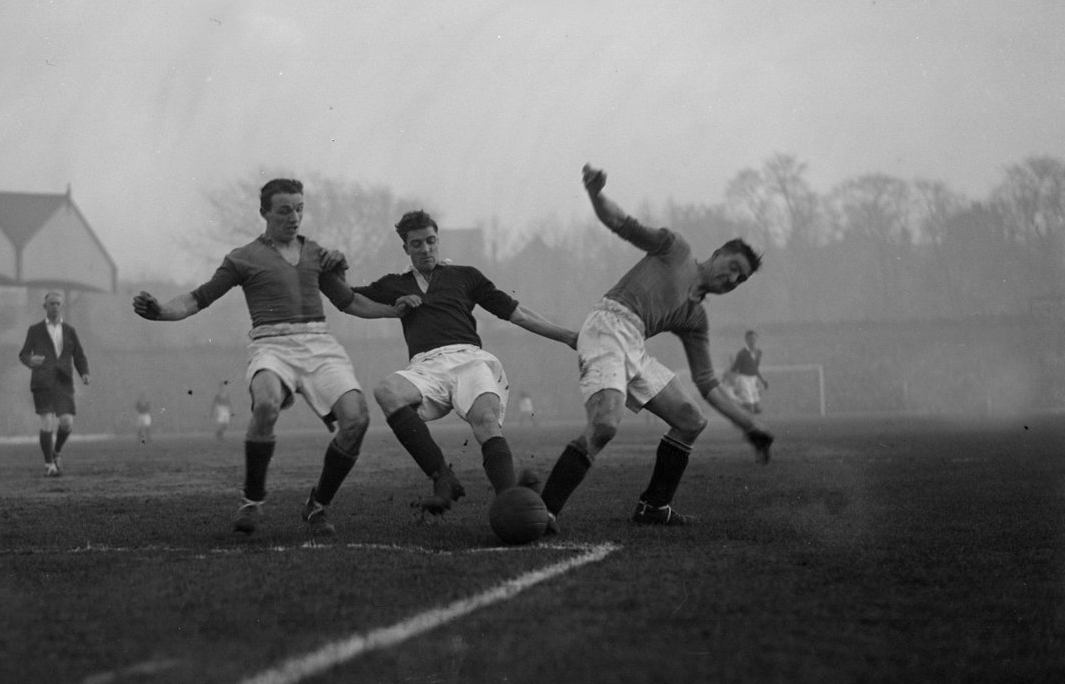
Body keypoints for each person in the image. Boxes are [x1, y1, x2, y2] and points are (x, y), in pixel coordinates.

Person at [132, 177, 418, 537]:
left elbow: (349, 301)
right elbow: (198, 297)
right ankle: (252, 501)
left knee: (357, 420)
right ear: (264, 212)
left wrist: (396, 310)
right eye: (284, 210)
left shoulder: (316, 254)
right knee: (265, 405)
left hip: (319, 345)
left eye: (299, 209)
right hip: (272, 345)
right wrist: (160, 311)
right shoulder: (243, 258)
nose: (294, 217)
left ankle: (318, 506)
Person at [538, 164, 773, 528]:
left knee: (690, 420)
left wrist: (749, 424)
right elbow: (622, 224)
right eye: (732, 267)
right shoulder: (676, 250)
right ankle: (544, 510)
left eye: (739, 280)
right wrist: (595, 193)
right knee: (604, 425)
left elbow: (708, 384)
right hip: (607, 325)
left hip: (633, 344)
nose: (731, 279)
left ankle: (654, 507)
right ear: (716, 254)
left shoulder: (696, 318)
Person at [349, 209, 576, 516]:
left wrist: (568, 337)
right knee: (387, 391)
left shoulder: (465, 276)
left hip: (469, 360)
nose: (425, 249)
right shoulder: (394, 284)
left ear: (438, 240)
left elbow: (518, 314)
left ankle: (510, 502)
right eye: (417, 244)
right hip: (425, 366)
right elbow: (350, 301)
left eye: (431, 241)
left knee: (486, 422)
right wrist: (321, 269)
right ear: (405, 248)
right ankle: (443, 478)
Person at [18, 289, 90, 477]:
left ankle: (56, 452)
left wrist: (84, 373)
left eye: (58, 304)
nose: (55, 307)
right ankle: (49, 464)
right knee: (47, 422)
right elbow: (24, 354)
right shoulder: (35, 330)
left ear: (62, 306)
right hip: (42, 381)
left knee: (66, 423)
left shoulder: (70, 331)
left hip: (63, 381)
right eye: (52, 303)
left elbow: (79, 354)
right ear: (45, 306)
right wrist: (30, 360)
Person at [729, 330, 768, 414]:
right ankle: (746, 421)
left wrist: (763, 381)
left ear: (756, 339)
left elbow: (755, 368)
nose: (752, 340)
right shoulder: (742, 353)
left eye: (753, 338)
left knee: (757, 409)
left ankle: (738, 405)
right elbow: (734, 368)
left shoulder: (758, 352)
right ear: (746, 340)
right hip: (744, 379)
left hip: (753, 380)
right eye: (750, 339)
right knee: (750, 407)